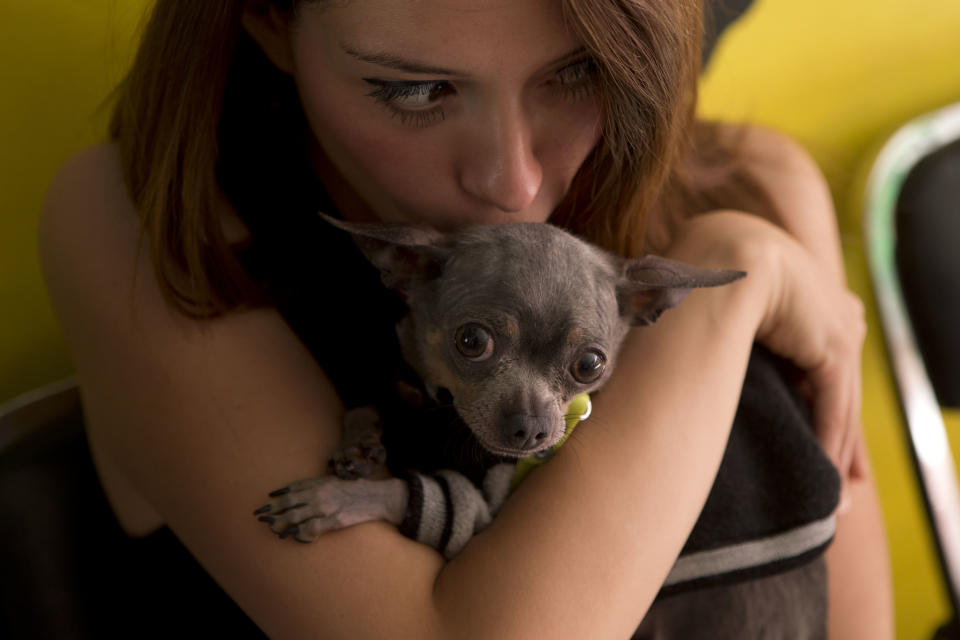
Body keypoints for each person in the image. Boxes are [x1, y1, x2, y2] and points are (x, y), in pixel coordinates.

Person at [34, 0, 893, 637]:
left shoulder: (753, 183)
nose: (512, 184)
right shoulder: (151, 232)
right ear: (266, 22)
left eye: (575, 71)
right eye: (414, 90)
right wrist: (729, 288)